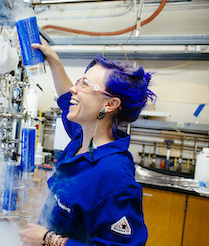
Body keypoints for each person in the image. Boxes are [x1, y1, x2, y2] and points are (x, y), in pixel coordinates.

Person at [18, 41, 156, 246]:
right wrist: (53, 60)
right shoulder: (81, 137)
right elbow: (67, 98)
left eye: (84, 84)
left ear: (110, 104)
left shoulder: (114, 175)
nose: (74, 89)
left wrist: (49, 240)